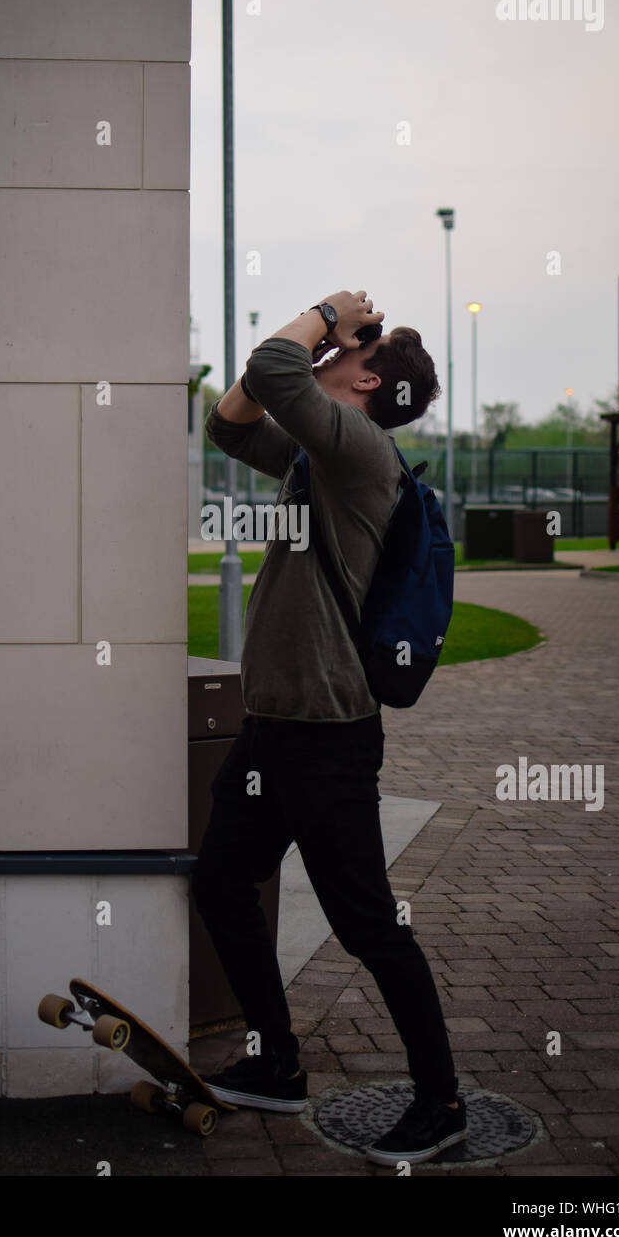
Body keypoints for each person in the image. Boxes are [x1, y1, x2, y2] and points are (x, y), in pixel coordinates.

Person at [191, 289, 466, 1166]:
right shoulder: (321, 453)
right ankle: (277, 1065)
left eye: (353, 352)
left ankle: (441, 1101)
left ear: (370, 378)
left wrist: (325, 312)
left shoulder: (359, 449)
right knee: (225, 883)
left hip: (328, 732)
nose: (338, 352)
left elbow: (274, 370)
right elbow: (231, 425)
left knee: (368, 926)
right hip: (274, 725)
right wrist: (322, 343)